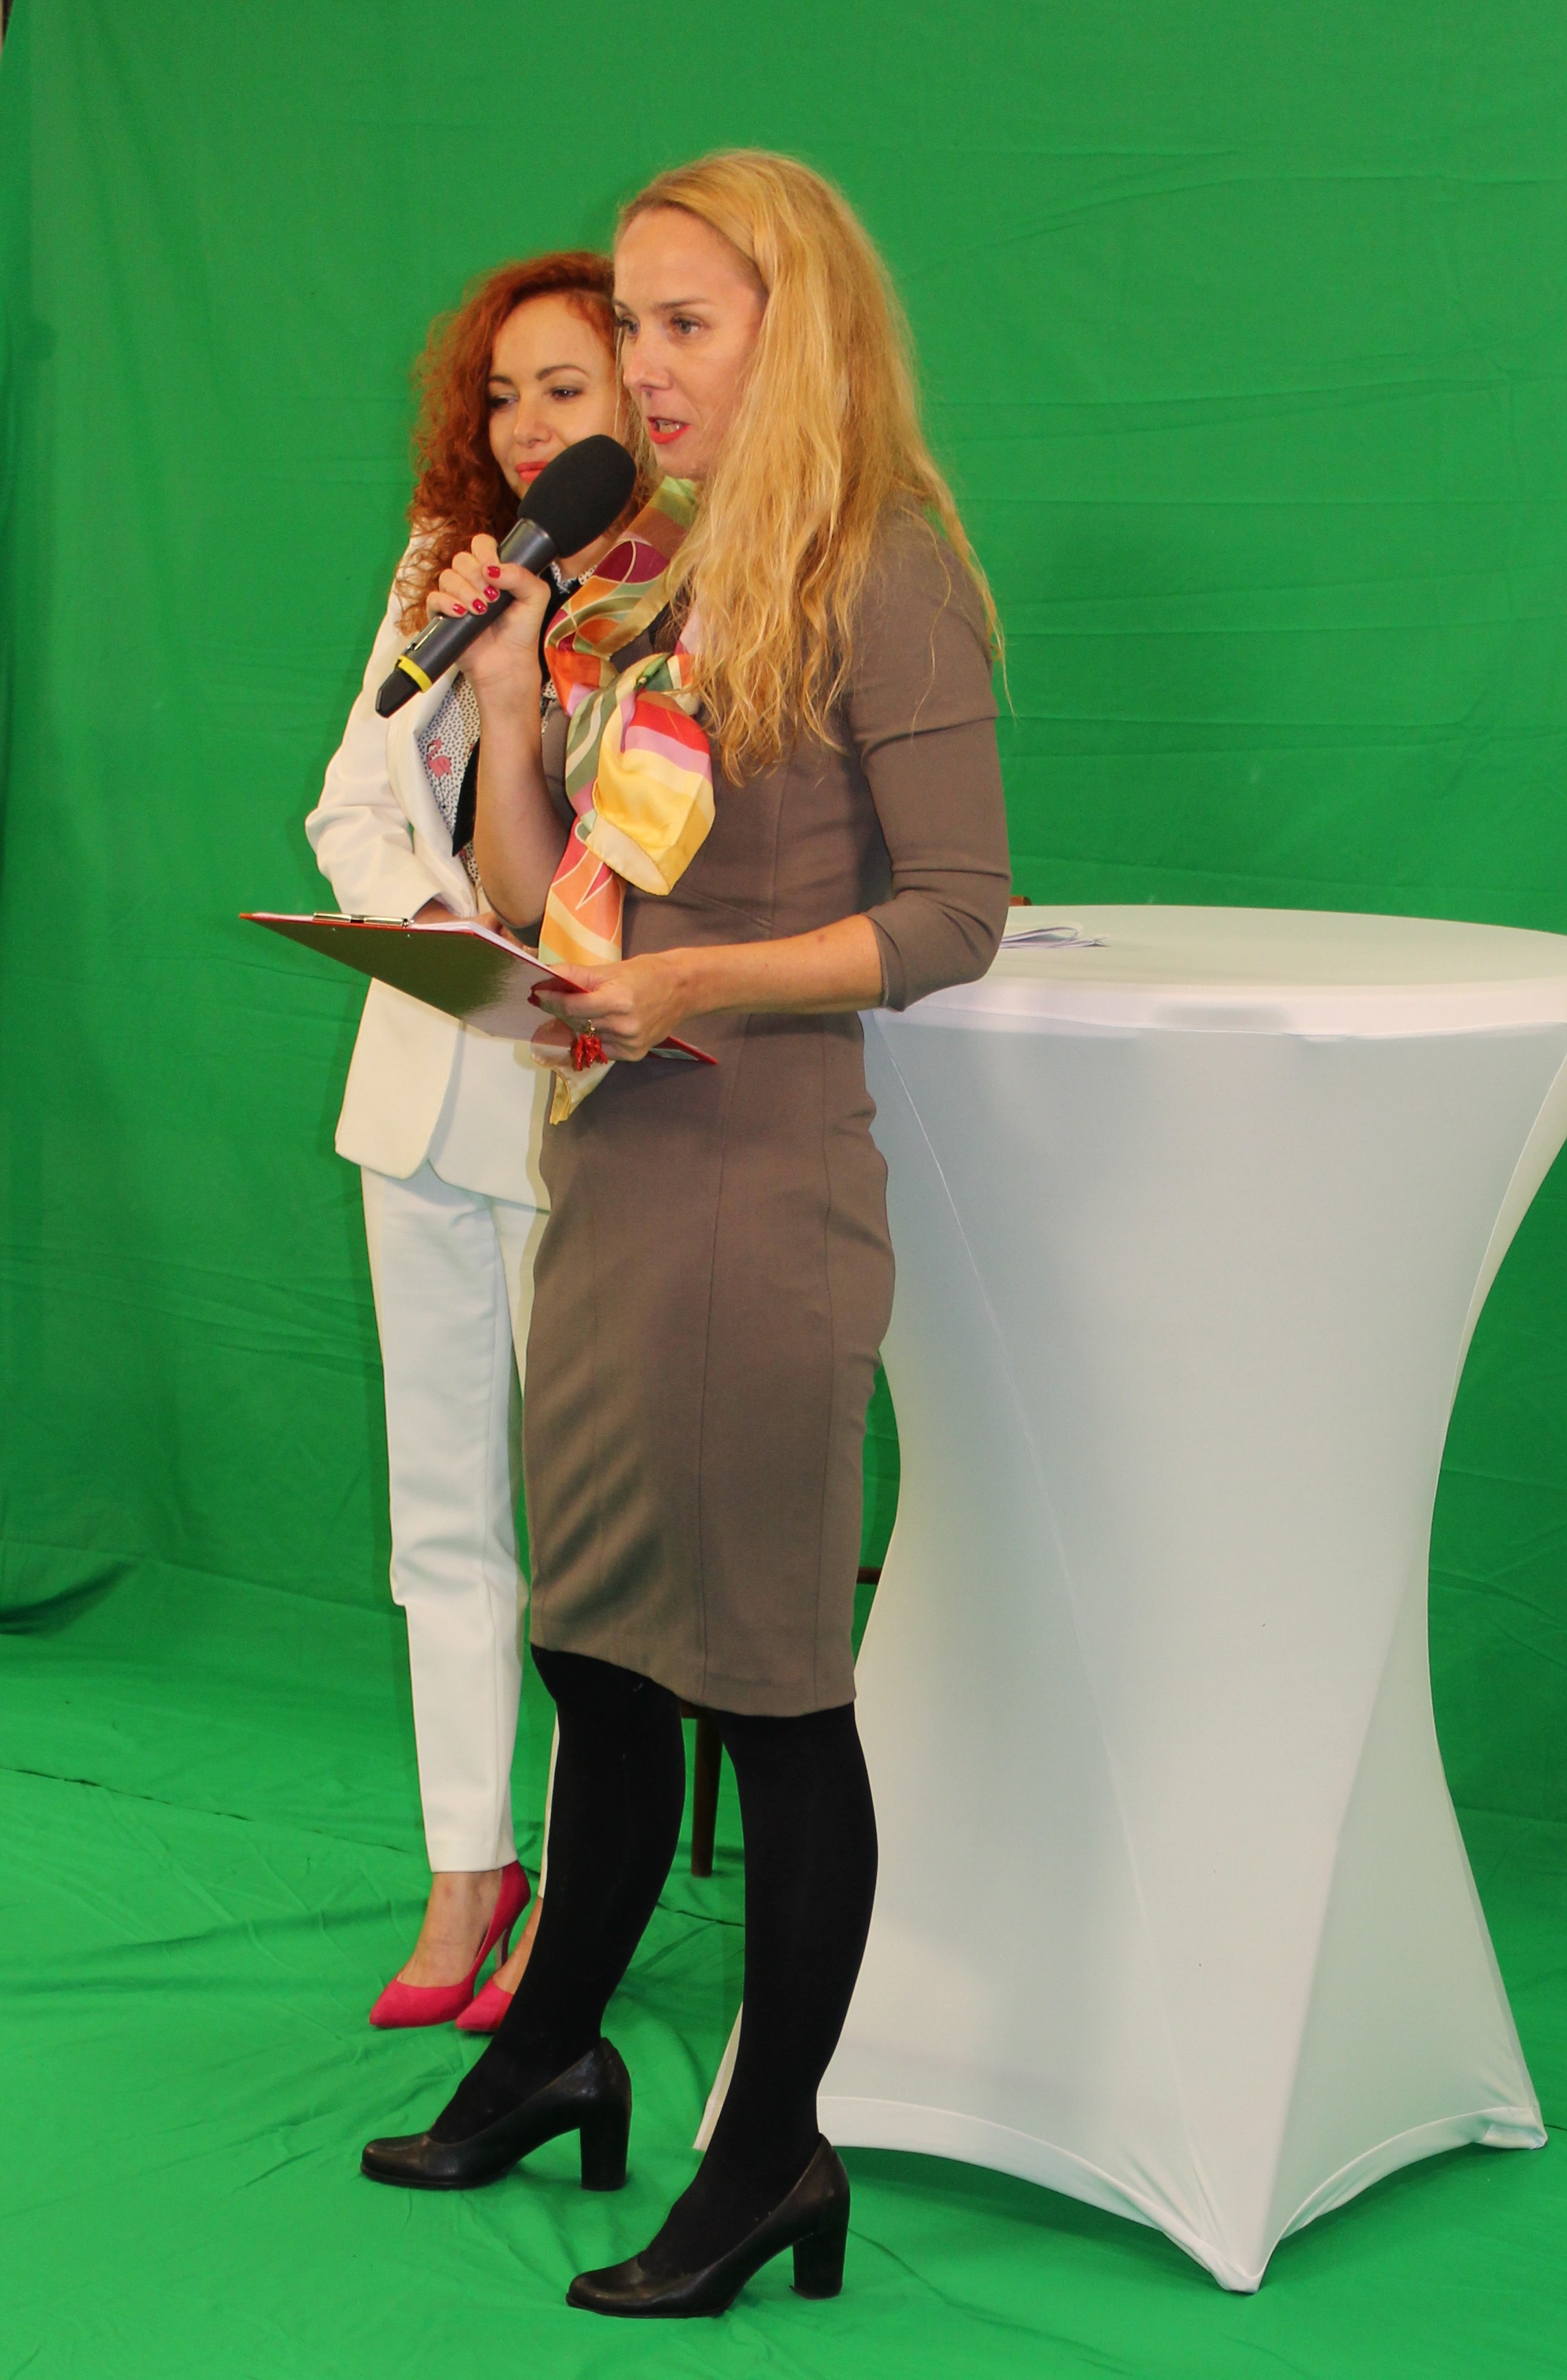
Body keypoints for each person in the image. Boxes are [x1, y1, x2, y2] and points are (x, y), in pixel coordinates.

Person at [360, 152, 1011, 2315]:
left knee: (768, 1691)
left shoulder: (884, 567)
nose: (638, 370)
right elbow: (546, 893)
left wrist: (700, 982)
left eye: (681, 325)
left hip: (759, 1179)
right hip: (617, 1165)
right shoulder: (648, 570)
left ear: (793, 328)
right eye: (627, 327)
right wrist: (514, 698)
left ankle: (771, 2157)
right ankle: (551, 2053)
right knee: (596, 1651)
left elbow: (954, 913)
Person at [306, 252, 642, 2029]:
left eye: (563, 392)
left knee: (582, 1532)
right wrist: (439, 933)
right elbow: (349, 799)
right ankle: (465, 1865)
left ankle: (580, 1891)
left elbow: (637, 854)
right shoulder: (445, 568)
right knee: (441, 1510)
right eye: (504, 395)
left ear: (639, 406)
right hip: (421, 1084)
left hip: (582, 1104)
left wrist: (529, 949)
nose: (525, 428)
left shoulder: (672, 587)